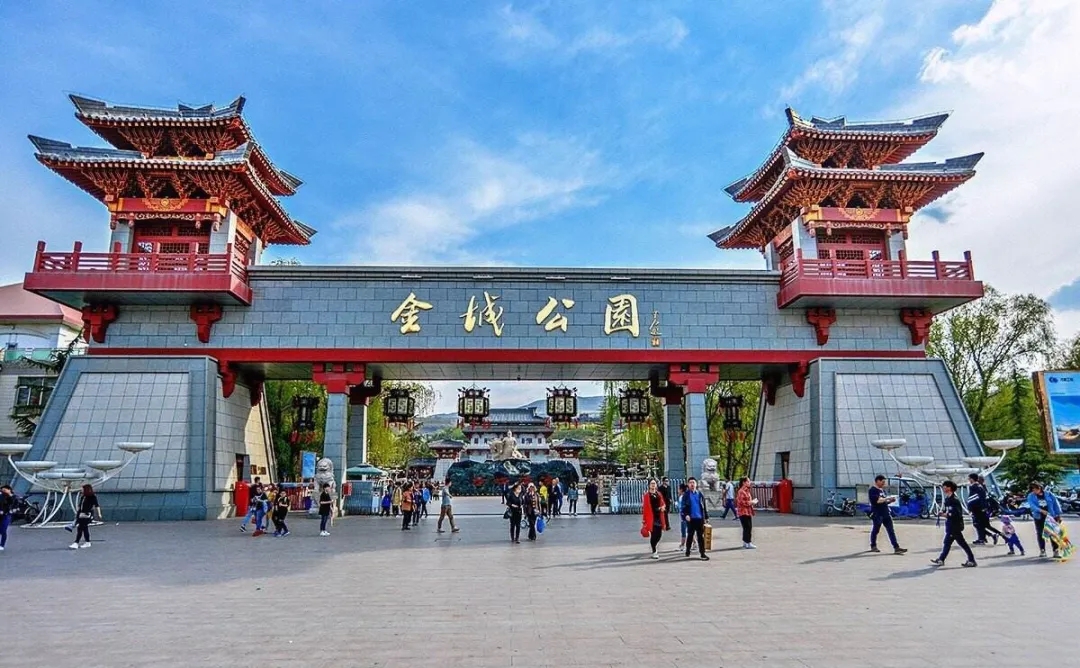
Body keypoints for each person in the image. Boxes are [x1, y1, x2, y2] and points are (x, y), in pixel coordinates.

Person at [931, 480, 977, 568]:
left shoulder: (955, 500)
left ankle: (971, 560)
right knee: (947, 543)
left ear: (949, 488)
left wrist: (945, 514)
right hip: (950, 525)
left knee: (961, 543)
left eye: (945, 487)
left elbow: (957, 513)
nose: (943, 488)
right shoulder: (947, 499)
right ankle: (941, 559)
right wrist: (943, 512)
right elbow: (947, 510)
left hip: (955, 526)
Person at [868, 475, 907, 554]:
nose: (883, 483)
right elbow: (877, 501)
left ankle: (896, 547)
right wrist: (887, 498)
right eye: (882, 482)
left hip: (886, 513)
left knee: (891, 531)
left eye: (884, 482)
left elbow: (883, 501)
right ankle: (873, 545)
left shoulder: (881, 490)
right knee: (876, 530)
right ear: (877, 481)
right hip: (877, 514)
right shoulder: (873, 490)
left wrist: (889, 501)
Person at [1026, 481, 1063, 558]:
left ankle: (1056, 551)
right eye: (1032, 489)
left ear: (1039, 488)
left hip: (1051, 516)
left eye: (1035, 489)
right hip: (1039, 517)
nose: (1034, 491)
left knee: (1053, 533)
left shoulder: (1049, 494)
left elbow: (1056, 504)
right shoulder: (1031, 496)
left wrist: (1058, 515)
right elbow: (1032, 506)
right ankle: (1042, 550)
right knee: (1040, 533)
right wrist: (1041, 511)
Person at [967, 473, 1003, 545]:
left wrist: (970, 508)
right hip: (981, 508)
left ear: (972, 479)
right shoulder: (980, 486)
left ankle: (984, 539)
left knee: (979, 524)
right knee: (982, 525)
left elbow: (974, 499)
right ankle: (986, 537)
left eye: (969, 478)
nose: (968, 480)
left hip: (978, 509)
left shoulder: (974, 487)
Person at [679, 477, 710, 561]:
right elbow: (683, 507)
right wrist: (686, 515)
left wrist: (706, 517)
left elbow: (704, 506)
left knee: (700, 537)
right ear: (688, 485)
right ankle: (688, 550)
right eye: (690, 483)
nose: (692, 484)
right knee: (690, 535)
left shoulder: (700, 494)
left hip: (700, 519)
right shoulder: (686, 495)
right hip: (691, 519)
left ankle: (702, 553)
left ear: (696, 484)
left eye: (693, 482)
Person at [642, 479, 670, 559]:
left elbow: (663, 503)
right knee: (654, 535)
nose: (653, 485)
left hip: (659, 517)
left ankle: (654, 546)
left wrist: (663, 507)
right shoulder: (646, 496)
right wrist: (644, 520)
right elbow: (645, 508)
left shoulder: (659, 494)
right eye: (652, 483)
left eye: (654, 483)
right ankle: (654, 551)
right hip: (651, 518)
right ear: (649, 485)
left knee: (659, 535)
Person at [70, 484, 101, 549]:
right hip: (81, 514)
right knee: (84, 528)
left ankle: (76, 542)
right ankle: (87, 542)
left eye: (82, 489)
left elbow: (97, 505)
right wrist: (77, 514)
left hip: (87, 514)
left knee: (81, 528)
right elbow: (80, 506)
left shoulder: (92, 497)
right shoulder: (83, 497)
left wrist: (99, 514)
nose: (81, 490)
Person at [735, 477, 757, 550]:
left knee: (747, 528)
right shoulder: (741, 491)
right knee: (747, 527)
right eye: (748, 481)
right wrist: (751, 502)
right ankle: (748, 542)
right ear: (744, 482)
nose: (749, 483)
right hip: (743, 512)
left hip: (747, 511)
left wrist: (752, 502)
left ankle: (745, 542)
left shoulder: (746, 490)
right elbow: (742, 502)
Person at [0, 484, 14, 552]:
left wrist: (9, 494)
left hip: (6, 515)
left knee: (3, 530)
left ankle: (2, 545)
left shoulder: (5, 495)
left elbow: (11, 502)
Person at [676, 483, 689, 551]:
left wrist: (677, 504)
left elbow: (681, 507)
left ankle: (682, 545)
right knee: (689, 531)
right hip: (687, 516)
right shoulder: (686, 496)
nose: (678, 490)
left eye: (678, 489)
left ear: (681, 490)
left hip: (683, 516)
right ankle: (694, 543)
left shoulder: (682, 497)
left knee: (683, 531)